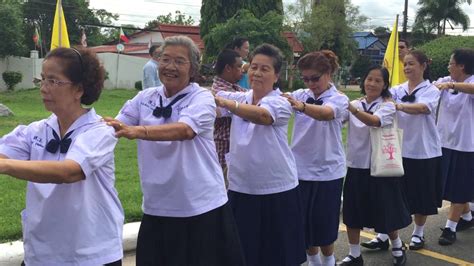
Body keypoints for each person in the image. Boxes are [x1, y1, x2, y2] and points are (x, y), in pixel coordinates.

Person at [104, 36, 245, 266]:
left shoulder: (201, 98)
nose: (170, 66)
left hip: (200, 207)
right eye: (165, 59)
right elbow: (116, 126)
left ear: (193, 69)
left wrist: (138, 130)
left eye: (180, 61)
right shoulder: (145, 98)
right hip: (158, 205)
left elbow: (186, 130)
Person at [0, 47, 124, 265]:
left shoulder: (100, 131)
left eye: (54, 81)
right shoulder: (35, 131)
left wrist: (7, 166)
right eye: (43, 79)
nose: (44, 88)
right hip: (41, 254)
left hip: (90, 254)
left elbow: (69, 171)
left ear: (78, 89)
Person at [214, 43, 306, 266]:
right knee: (242, 253)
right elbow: (211, 98)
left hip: (277, 190)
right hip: (241, 188)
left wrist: (228, 103)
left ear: (276, 76)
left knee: (277, 256)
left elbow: (263, 116)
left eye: (265, 69)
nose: (256, 73)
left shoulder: (282, 102)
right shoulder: (242, 98)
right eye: (254, 67)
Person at [363, 50, 442, 251]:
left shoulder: (431, 90)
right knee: (391, 195)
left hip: (423, 151)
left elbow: (423, 108)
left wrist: (397, 106)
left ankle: (418, 233)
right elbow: (381, 100)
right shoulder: (397, 89)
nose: (407, 68)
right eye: (405, 64)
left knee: (421, 195)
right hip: (396, 150)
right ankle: (383, 235)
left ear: (423, 66)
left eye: (411, 64)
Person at [340, 66, 411, 266]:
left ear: (385, 85)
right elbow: (337, 119)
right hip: (356, 166)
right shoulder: (355, 103)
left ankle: (396, 244)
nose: (371, 84)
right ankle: (354, 254)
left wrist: (352, 109)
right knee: (352, 212)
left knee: (385, 211)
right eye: (369, 79)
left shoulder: (388, 106)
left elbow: (374, 122)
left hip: (381, 168)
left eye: (377, 81)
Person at [282, 50, 348, 266]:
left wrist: (300, 106)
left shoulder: (339, 99)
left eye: (315, 78)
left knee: (325, 223)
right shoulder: (300, 94)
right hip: (300, 169)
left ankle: (329, 260)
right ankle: (314, 261)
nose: (310, 83)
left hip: (328, 171)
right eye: (306, 78)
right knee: (303, 223)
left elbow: (326, 113)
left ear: (328, 73)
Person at [434, 48, 474, 245]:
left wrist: (450, 84)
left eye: (451, 63)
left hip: (465, 145)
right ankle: (466, 217)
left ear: (461, 66)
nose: (448, 66)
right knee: (450, 186)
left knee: (459, 187)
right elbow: (430, 89)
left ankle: (450, 229)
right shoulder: (443, 80)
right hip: (443, 142)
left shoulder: (470, 82)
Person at [211, 49, 244, 183]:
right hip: (225, 149)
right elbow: (246, 99)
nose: (242, 70)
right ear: (228, 68)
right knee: (226, 188)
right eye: (239, 67)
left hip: (232, 148)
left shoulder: (233, 87)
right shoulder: (220, 91)